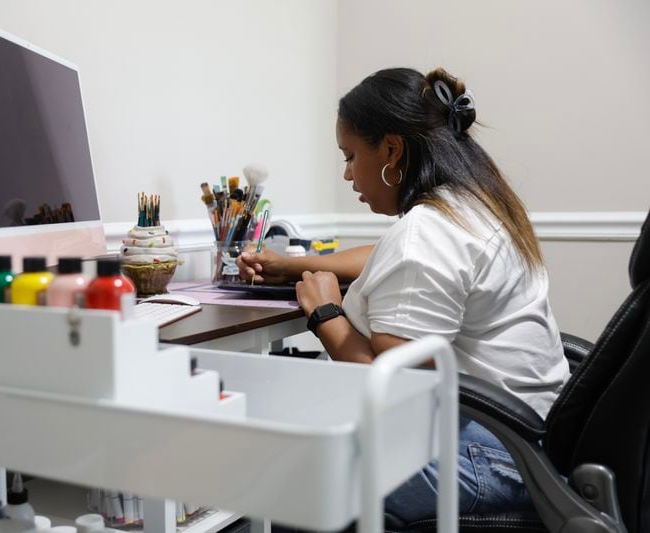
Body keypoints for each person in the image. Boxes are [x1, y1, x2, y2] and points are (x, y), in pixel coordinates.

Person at [237, 67, 571, 523]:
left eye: (350, 155)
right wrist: (295, 266)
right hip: (529, 444)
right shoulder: (473, 206)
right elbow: (389, 256)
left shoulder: (425, 233)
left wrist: (326, 313)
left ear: (391, 149)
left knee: (277, 461)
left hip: (479, 458)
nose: (348, 174)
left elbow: (392, 386)